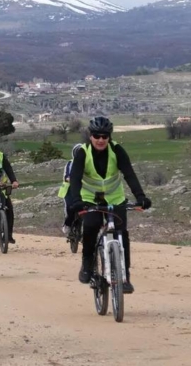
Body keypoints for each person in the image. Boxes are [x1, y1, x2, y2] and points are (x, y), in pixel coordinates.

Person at [68, 116, 151, 294]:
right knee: (91, 226)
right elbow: (75, 178)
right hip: (90, 198)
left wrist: (140, 196)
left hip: (115, 198)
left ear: (109, 137)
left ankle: (125, 277)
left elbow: (129, 173)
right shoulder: (83, 153)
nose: (100, 140)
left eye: (104, 136)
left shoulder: (117, 150)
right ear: (90, 136)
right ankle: (87, 263)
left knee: (122, 234)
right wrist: (76, 200)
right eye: (97, 136)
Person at [59, 143, 84, 233]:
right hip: (69, 190)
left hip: (85, 189)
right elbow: (67, 177)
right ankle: (67, 224)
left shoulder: (88, 164)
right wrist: (74, 180)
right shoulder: (70, 164)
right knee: (70, 207)